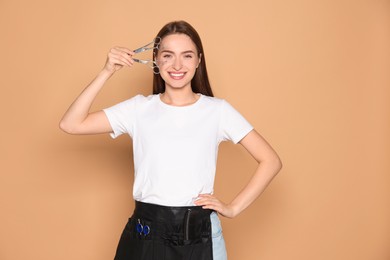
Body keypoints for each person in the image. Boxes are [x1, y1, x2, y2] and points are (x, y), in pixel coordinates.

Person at [60, 20, 282, 260]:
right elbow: (71, 124)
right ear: (156, 60)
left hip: (199, 234)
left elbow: (270, 160)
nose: (177, 65)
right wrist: (106, 72)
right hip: (145, 233)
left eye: (187, 56)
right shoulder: (138, 109)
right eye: (168, 55)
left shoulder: (218, 111)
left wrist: (234, 207)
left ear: (198, 60)